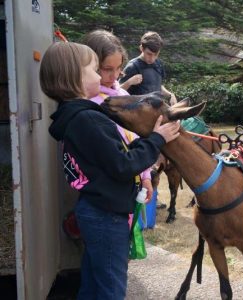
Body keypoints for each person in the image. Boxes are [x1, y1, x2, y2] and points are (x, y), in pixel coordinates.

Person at [40, 42, 180, 299]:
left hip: (97, 210)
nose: (101, 77)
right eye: (94, 70)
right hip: (106, 216)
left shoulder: (77, 117)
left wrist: (146, 140)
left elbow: (113, 156)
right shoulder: (88, 119)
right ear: (75, 79)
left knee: (94, 282)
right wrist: (157, 140)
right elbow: (123, 165)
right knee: (111, 289)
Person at [82, 29, 154, 201]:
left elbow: (135, 136)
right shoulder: (89, 103)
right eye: (107, 69)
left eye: (119, 68)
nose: (114, 76)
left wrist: (146, 177)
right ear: (90, 66)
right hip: (110, 192)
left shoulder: (122, 94)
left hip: (132, 180)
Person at [119, 31, 177, 105]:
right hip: (138, 112)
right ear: (141, 48)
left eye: (156, 54)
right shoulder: (133, 66)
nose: (152, 58)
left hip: (156, 110)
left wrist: (170, 95)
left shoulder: (158, 64)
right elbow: (117, 92)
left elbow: (158, 86)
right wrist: (129, 82)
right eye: (149, 54)